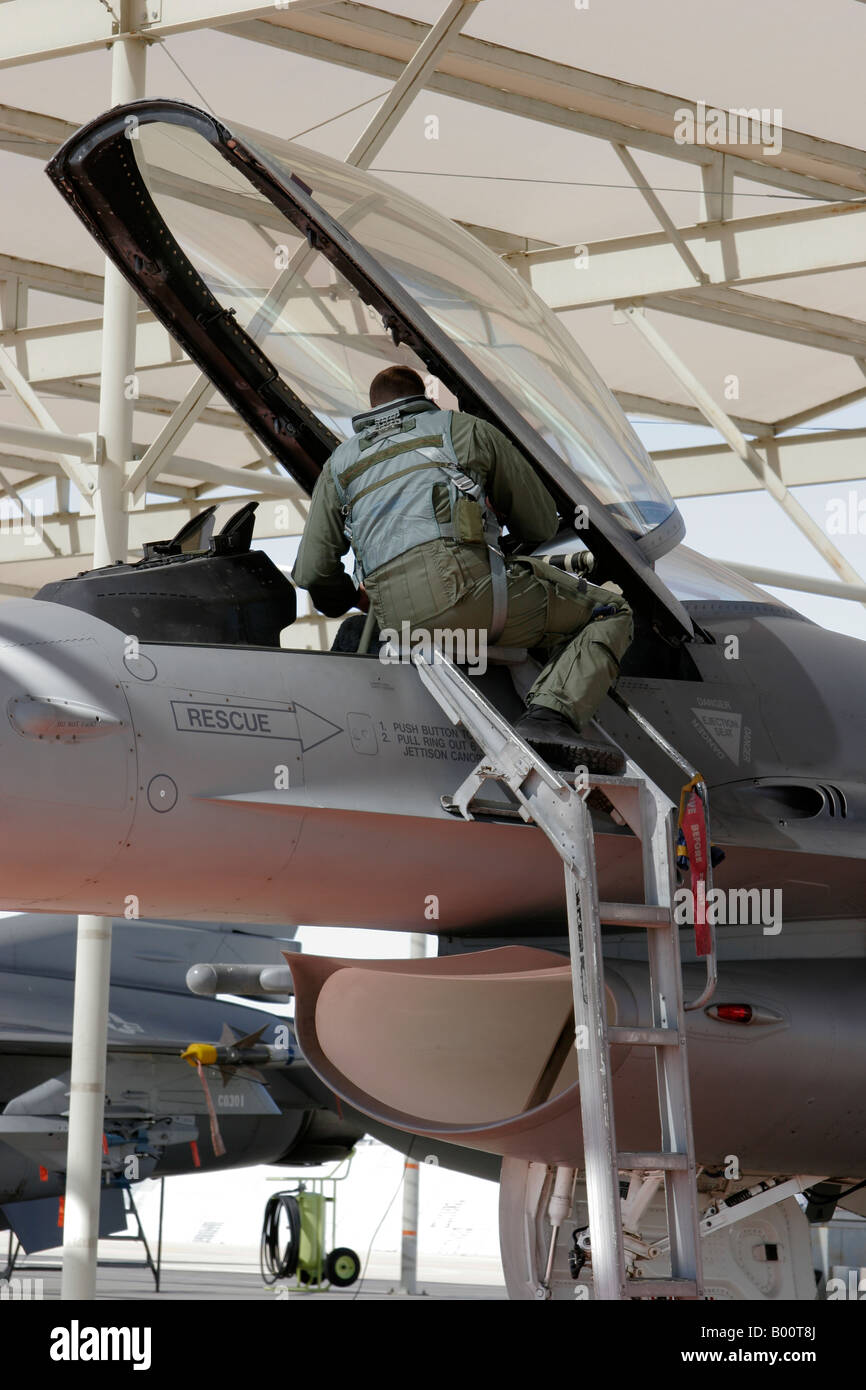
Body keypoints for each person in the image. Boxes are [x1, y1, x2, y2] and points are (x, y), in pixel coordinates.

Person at [292, 365, 633, 772]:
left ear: (372, 408)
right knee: (611, 612)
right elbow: (540, 523)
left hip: (397, 624)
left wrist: (349, 598)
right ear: (425, 397)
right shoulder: (466, 430)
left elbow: (313, 572)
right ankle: (548, 718)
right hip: (476, 603)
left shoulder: (339, 464)